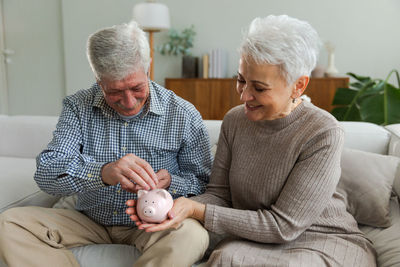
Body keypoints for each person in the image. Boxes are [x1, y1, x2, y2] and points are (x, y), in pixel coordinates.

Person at [126, 15, 377, 266]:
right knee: (226, 258)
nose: (244, 95)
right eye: (241, 80)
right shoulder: (235, 121)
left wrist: (195, 210)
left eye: (259, 87)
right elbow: (219, 196)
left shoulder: (323, 132)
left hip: (322, 239)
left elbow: (283, 226)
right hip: (254, 240)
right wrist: (171, 206)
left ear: (298, 85)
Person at [0, 21, 211, 267]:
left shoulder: (183, 114)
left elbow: (204, 183)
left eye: (136, 87)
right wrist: (103, 172)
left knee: (193, 235)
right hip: (89, 220)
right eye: (115, 92)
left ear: (148, 67)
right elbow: (47, 172)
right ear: (98, 80)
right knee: (8, 224)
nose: (129, 102)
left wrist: (172, 182)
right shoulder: (78, 106)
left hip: (152, 225)